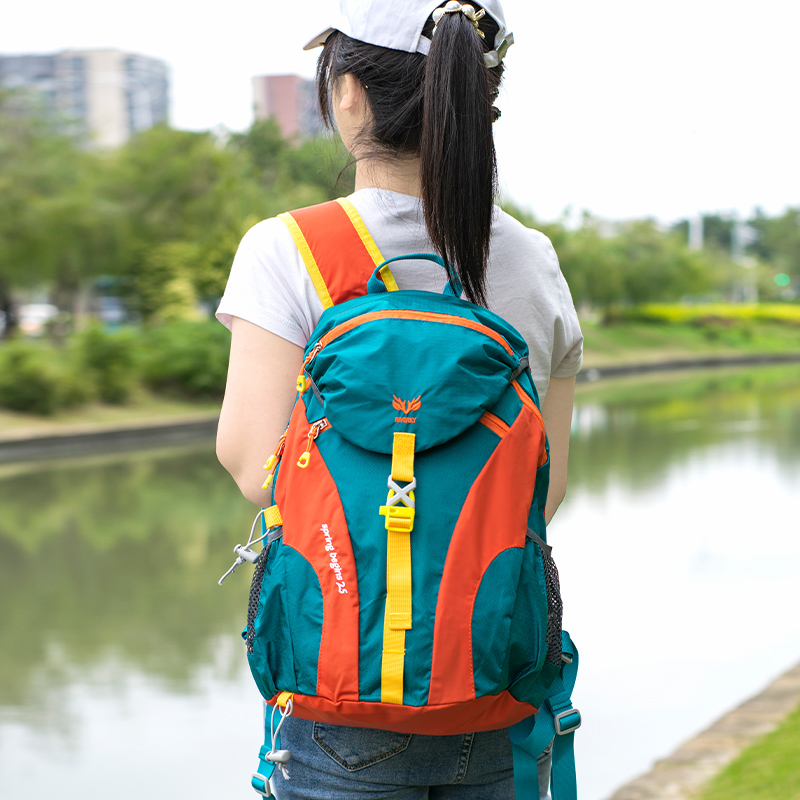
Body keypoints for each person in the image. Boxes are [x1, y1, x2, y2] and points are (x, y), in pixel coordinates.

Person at [216, 1, 583, 797]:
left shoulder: (287, 249)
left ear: (347, 93)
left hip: (338, 692)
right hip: (493, 685)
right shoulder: (532, 259)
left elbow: (256, 468)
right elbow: (541, 489)